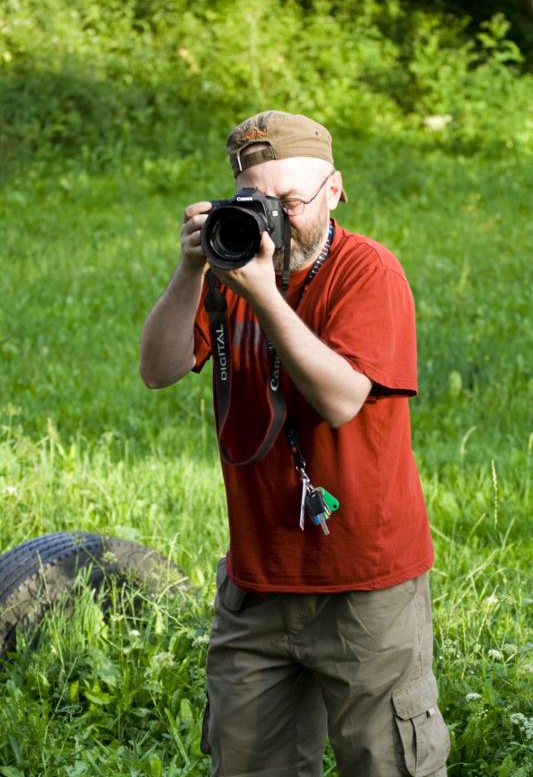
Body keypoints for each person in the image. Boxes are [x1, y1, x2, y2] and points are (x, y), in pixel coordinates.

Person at [140, 110, 451, 777]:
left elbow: (341, 399)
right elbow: (158, 370)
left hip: (364, 586)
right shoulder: (231, 265)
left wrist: (263, 296)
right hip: (257, 579)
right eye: (254, 200)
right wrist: (191, 270)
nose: (273, 217)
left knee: (387, 763)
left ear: (334, 191)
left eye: (291, 200)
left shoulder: (368, 271)